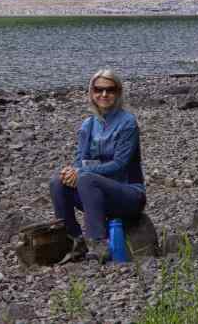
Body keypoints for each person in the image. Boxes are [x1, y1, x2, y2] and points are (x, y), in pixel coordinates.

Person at [49, 69, 146, 263]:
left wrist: (81, 171)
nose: (104, 94)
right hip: (93, 193)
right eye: (98, 89)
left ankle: (98, 242)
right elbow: (80, 161)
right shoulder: (88, 125)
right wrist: (71, 172)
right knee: (57, 181)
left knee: (85, 178)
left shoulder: (127, 123)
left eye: (110, 90)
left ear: (118, 92)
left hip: (128, 194)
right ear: (91, 92)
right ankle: (72, 240)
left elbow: (119, 165)